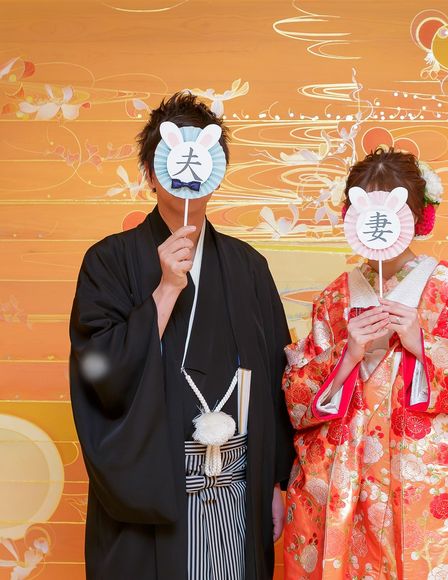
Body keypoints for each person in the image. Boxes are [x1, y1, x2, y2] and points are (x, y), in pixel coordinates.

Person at [69, 92, 294, 580]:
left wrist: (277, 481)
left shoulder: (249, 267)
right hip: (154, 484)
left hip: (239, 483)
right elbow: (97, 369)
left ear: (217, 171)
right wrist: (166, 289)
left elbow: (277, 376)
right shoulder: (108, 261)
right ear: (151, 174)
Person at [282, 147, 448, 579]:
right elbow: (298, 400)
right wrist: (346, 354)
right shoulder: (337, 297)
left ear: (417, 215)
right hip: (348, 476)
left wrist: (423, 344)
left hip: (424, 479)